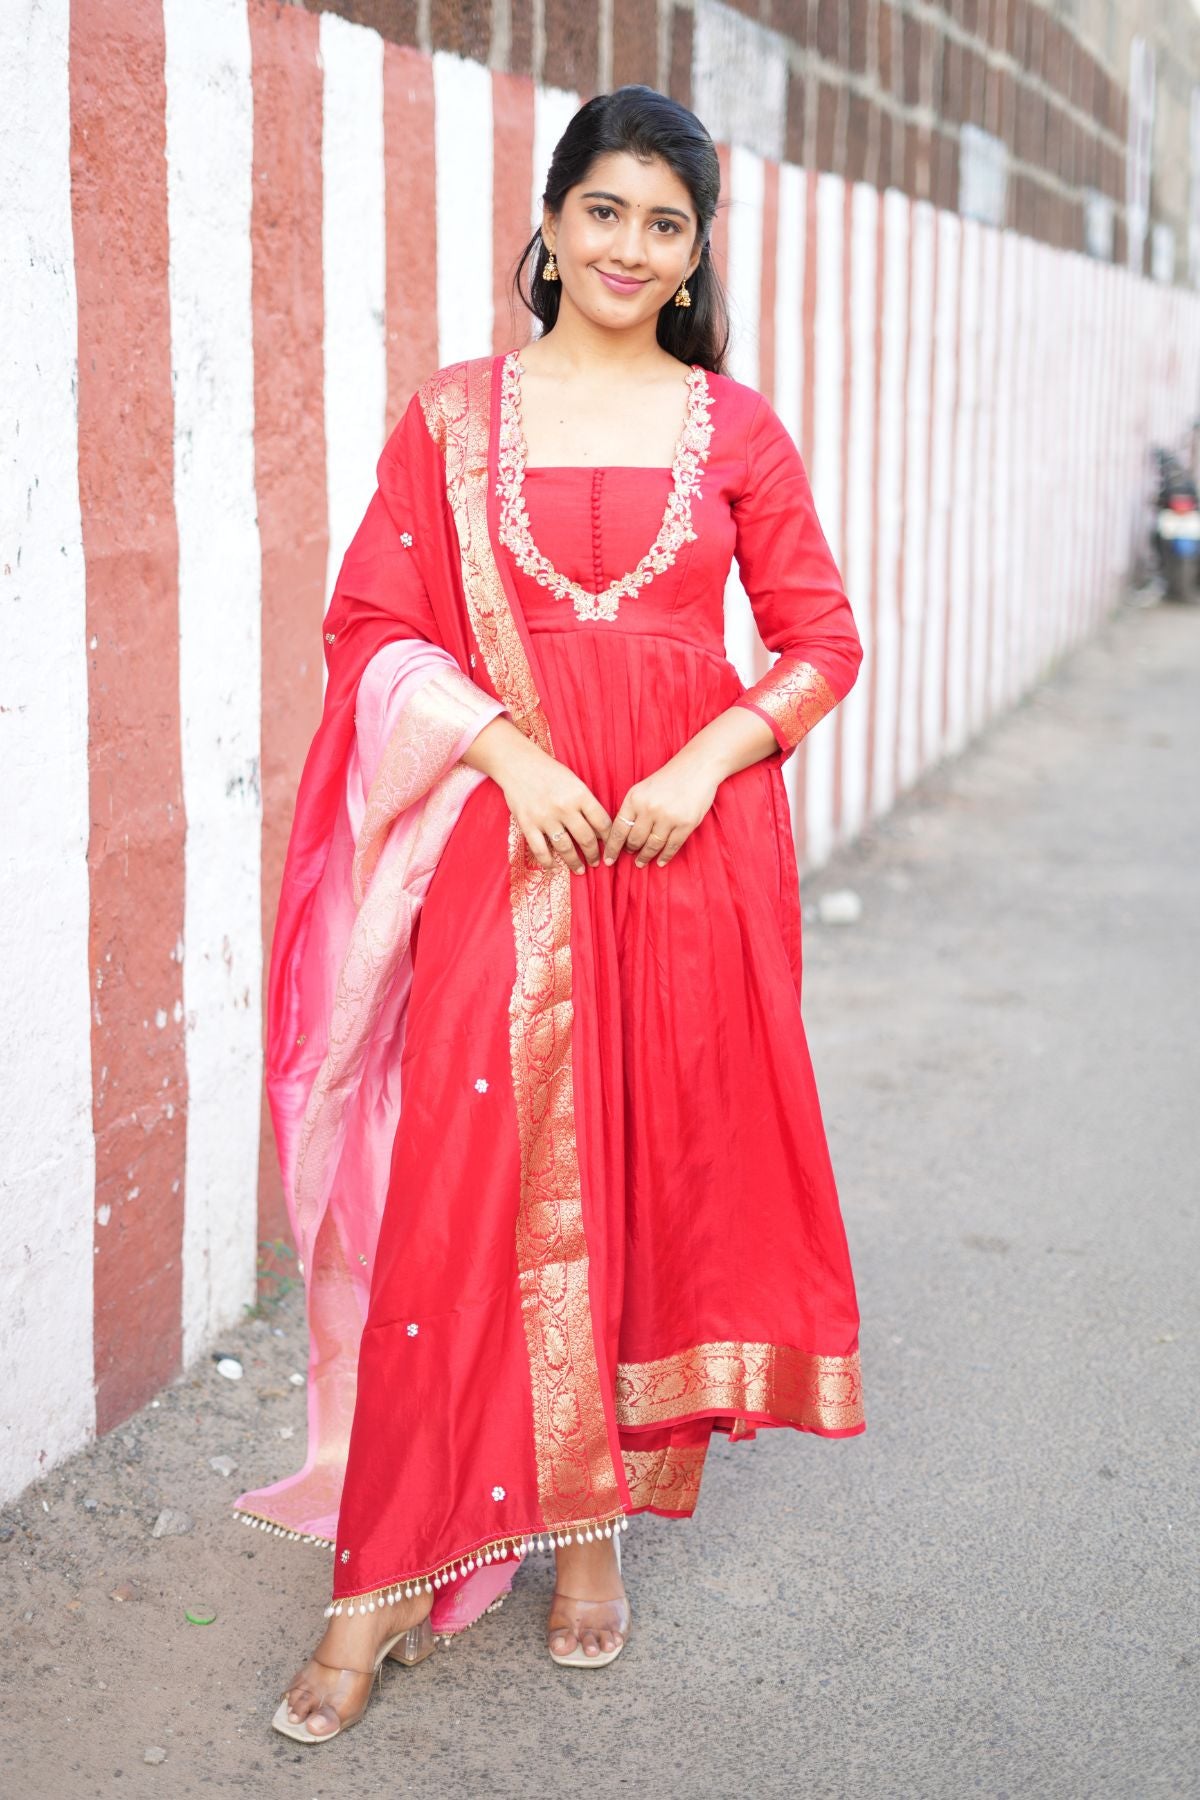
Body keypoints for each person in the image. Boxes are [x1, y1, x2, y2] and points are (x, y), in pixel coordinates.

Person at [235, 82, 866, 1744]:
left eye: (667, 223)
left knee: (641, 1177)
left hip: (681, 866)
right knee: (466, 1192)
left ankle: (590, 1530)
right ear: (553, 216)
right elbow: (372, 632)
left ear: (694, 251)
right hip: (504, 854)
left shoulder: (734, 433)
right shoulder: (451, 419)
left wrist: (698, 764)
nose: (631, 247)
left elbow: (818, 645)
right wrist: (506, 751)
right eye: (606, 209)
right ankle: (375, 1579)